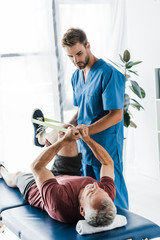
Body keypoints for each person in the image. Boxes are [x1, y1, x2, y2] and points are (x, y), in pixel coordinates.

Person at [33, 28, 129, 210]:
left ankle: (126, 235)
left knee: (112, 197)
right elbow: (82, 111)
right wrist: (67, 127)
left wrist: (87, 131)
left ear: (88, 46)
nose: (76, 60)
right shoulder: (77, 76)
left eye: (79, 53)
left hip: (106, 146)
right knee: (90, 195)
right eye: (70, 57)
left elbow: (116, 115)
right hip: (85, 147)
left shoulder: (109, 74)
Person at [0, 123, 116, 226]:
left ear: (82, 210)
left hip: (37, 188)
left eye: (91, 193)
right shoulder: (106, 195)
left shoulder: (60, 203)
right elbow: (108, 163)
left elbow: (36, 166)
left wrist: (63, 141)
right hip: (69, 175)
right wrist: (87, 139)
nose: (95, 186)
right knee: (66, 130)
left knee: (17, 176)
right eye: (101, 190)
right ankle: (41, 136)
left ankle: (1, 170)